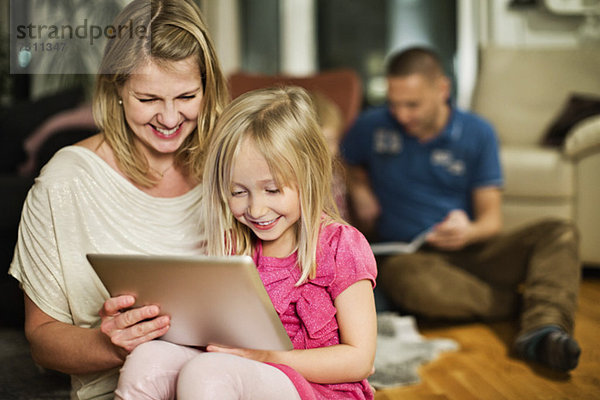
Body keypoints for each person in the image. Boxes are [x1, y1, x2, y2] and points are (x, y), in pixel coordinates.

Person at [8, 0, 229, 398]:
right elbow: (41, 339)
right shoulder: (65, 183)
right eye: (148, 99)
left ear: (208, 88)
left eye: (186, 97)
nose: (169, 118)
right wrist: (108, 345)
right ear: (118, 89)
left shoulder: (233, 167)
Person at [114, 86, 378, 399]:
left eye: (273, 190)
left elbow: (360, 360)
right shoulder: (232, 245)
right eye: (239, 192)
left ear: (310, 175)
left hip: (319, 388)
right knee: (147, 359)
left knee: (209, 372)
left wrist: (269, 358)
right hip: (237, 367)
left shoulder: (340, 245)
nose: (255, 209)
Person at [341, 46, 582, 372]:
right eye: (393, 103)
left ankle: (544, 330)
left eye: (412, 104)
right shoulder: (372, 126)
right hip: (412, 259)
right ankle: (534, 310)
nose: (401, 115)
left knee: (560, 231)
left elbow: (491, 221)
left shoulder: (478, 132)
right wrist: (359, 187)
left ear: (442, 90)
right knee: (405, 280)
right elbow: (341, 158)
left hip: (471, 249)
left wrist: (469, 231)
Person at [309, 90, 349, 220]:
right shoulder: (300, 183)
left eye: (330, 141)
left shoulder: (336, 174)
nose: (324, 151)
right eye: (316, 144)